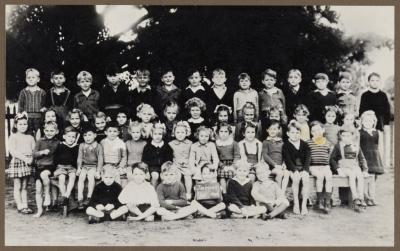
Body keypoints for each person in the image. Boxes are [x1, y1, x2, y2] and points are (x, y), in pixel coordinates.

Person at [330, 126, 369, 212]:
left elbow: (362, 158)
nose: (346, 138)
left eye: (348, 136)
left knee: (360, 176)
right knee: (351, 175)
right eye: (344, 135)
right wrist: (338, 169)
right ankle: (355, 198)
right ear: (341, 136)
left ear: (352, 136)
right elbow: (332, 159)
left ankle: (361, 198)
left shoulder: (356, 146)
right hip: (344, 167)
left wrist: (365, 170)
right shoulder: (338, 146)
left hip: (355, 167)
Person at [7, 112, 35, 214]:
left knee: (24, 186)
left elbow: (33, 150)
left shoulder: (30, 138)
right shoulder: (13, 137)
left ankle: (25, 205)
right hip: (18, 162)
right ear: (15, 125)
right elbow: (13, 151)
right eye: (20, 124)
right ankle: (20, 205)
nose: (23, 126)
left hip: (28, 163)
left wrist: (31, 158)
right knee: (17, 185)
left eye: (25, 124)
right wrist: (24, 158)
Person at [283, 121, 311, 215]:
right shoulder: (286, 145)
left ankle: (303, 205)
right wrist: (294, 171)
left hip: (303, 168)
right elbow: (287, 160)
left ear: (300, 133)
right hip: (291, 168)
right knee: (296, 179)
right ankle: (296, 204)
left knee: (306, 179)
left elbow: (308, 158)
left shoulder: (304, 144)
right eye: (292, 132)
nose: (295, 135)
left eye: (297, 132)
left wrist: (305, 170)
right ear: (288, 133)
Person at [33, 121, 60, 217]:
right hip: (39, 166)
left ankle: (47, 196)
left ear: (56, 131)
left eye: (52, 130)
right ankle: (39, 210)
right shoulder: (40, 141)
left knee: (44, 175)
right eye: (47, 130)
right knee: (38, 188)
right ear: (44, 130)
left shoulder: (57, 142)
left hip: (50, 166)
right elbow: (34, 154)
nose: (49, 132)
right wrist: (42, 152)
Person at [307, 121, 333, 214]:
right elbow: (307, 157)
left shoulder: (328, 142)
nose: (316, 132)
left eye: (318, 130)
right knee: (320, 176)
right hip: (314, 166)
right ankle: (320, 200)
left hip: (325, 166)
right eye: (314, 131)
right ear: (311, 132)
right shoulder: (309, 143)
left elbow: (329, 155)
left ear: (323, 130)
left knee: (329, 177)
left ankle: (327, 202)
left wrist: (328, 166)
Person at [359, 110, 383, 206]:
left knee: (372, 179)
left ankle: (372, 197)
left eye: (370, 121)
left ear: (374, 122)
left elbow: (379, 145)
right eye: (365, 121)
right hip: (364, 157)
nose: (368, 123)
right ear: (362, 121)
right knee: (365, 178)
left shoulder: (376, 132)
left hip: (374, 158)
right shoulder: (359, 132)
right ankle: (365, 197)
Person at [76, 125, 103, 209]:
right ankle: (80, 197)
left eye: (89, 135)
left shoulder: (98, 146)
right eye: (85, 135)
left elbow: (100, 159)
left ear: (95, 135)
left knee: (91, 177)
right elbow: (80, 157)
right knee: (81, 177)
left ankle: (89, 197)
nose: (87, 137)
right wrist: (79, 168)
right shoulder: (82, 145)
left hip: (93, 166)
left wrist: (98, 171)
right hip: (84, 166)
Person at [53, 126, 79, 206]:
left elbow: (76, 159)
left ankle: (67, 194)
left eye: (73, 137)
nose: (71, 139)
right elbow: (55, 157)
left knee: (72, 176)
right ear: (64, 136)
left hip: (71, 167)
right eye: (69, 136)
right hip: (61, 167)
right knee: (62, 178)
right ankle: (64, 196)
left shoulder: (76, 147)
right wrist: (56, 167)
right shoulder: (60, 145)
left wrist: (76, 168)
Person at [142, 122, 174, 188]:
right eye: (155, 134)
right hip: (152, 167)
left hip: (164, 167)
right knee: (155, 176)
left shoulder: (166, 146)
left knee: (165, 176)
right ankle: (153, 192)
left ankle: (164, 192)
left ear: (163, 135)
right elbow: (144, 160)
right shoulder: (148, 146)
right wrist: (146, 171)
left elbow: (169, 159)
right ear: (152, 134)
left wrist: (166, 168)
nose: (157, 136)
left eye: (160, 134)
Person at [262, 120, 290, 191]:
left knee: (287, 173)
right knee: (279, 173)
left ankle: (282, 193)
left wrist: (284, 163)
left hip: (280, 166)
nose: (272, 131)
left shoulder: (282, 142)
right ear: (267, 130)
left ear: (278, 130)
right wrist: (274, 165)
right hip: (271, 167)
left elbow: (284, 155)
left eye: (274, 129)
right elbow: (265, 155)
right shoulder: (266, 142)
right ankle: (278, 192)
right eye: (270, 129)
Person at [17, 68, 47, 135]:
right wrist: (20, 113)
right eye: (28, 77)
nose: (31, 79)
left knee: (39, 133)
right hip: (27, 117)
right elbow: (20, 104)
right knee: (28, 133)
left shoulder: (42, 92)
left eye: (33, 77)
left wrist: (44, 109)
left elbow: (45, 104)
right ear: (26, 79)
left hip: (39, 117)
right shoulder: (23, 92)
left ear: (38, 79)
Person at [168, 121, 193, 199]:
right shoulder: (171, 144)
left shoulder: (190, 143)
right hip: (176, 165)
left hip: (187, 164)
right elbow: (170, 156)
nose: (180, 134)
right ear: (174, 133)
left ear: (186, 133)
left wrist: (188, 162)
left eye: (182, 132)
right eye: (178, 132)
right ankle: (177, 193)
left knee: (188, 175)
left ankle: (188, 193)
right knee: (177, 176)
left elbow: (192, 155)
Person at [215, 122, 240, 194]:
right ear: (218, 132)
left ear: (229, 133)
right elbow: (216, 157)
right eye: (221, 131)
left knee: (231, 178)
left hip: (232, 164)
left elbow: (237, 155)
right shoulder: (216, 144)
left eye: (226, 131)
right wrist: (222, 166)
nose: (223, 133)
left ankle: (231, 194)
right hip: (221, 164)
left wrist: (233, 166)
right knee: (222, 178)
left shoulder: (234, 143)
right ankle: (225, 194)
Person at [100, 121, 127, 185]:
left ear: (118, 133)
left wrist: (121, 166)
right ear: (106, 132)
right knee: (105, 177)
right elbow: (100, 155)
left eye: (115, 131)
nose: (112, 133)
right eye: (110, 131)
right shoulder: (102, 142)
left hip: (116, 166)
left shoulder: (121, 142)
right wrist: (101, 166)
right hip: (105, 165)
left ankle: (117, 192)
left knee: (117, 177)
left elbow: (124, 156)